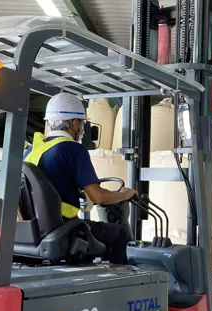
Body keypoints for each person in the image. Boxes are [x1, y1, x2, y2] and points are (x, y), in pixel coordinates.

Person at [23, 93, 136, 264]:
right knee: (118, 233)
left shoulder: (30, 152)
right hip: (65, 229)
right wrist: (124, 195)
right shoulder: (73, 149)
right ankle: (117, 287)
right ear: (74, 123)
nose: (82, 128)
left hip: (32, 231)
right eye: (82, 123)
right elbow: (98, 197)